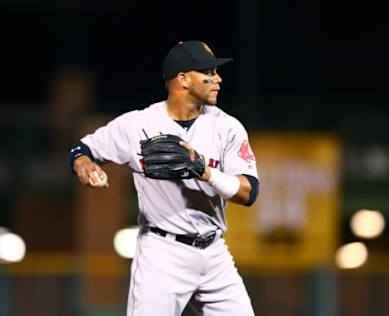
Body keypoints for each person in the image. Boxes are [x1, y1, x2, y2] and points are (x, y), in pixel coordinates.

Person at [68, 40, 259, 316]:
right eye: (209, 72)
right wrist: (84, 165)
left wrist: (205, 172)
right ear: (183, 79)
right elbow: (81, 149)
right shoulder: (138, 124)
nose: (218, 78)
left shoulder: (227, 127)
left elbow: (249, 192)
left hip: (214, 251)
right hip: (162, 252)